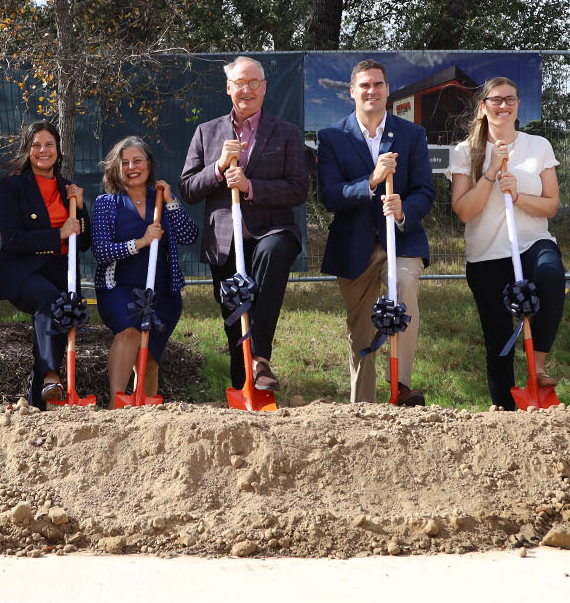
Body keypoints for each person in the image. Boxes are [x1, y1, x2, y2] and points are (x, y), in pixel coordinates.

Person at [181, 56, 309, 392]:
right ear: (228, 88)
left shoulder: (287, 134)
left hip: (273, 233)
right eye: (240, 83)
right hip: (224, 243)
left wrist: (250, 187)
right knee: (235, 322)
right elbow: (188, 188)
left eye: (254, 83)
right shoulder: (205, 132)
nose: (247, 89)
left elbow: (298, 189)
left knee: (271, 252)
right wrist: (219, 168)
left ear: (264, 89)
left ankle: (261, 358)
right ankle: (244, 392)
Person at [317, 59, 435, 405]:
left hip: (401, 239)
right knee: (362, 329)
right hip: (353, 246)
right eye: (365, 85)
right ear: (352, 92)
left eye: (378, 84)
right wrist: (371, 181)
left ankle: (400, 385)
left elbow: (425, 191)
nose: (372, 91)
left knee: (405, 285)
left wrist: (403, 210)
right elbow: (330, 196)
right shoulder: (332, 137)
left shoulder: (412, 134)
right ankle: (364, 405)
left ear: (387, 90)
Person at [450, 77, 565, 411]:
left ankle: (539, 365)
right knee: (498, 339)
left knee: (550, 275)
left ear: (518, 105)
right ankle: (504, 412)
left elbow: (551, 205)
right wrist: (490, 173)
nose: (503, 106)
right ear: (483, 107)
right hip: (486, 254)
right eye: (495, 100)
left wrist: (517, 195)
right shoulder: (464, 152)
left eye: (510, 100)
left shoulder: (538, 146)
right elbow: (464, 212)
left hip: (532, 242)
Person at [0, 121, 91, 408]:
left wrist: (81, 207)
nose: (42, 150)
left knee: (53, 326)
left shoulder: (67, 189)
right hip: (24, 272)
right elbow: (12, 239)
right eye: (35, 145)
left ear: (58, 151)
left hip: (61, 272)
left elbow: (83, 243)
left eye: (49, 144)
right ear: (27, 150)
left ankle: (37, 406)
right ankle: (51, 375)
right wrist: (57, 234)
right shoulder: (13, 186)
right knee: (52, 301)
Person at [92, 136, 198, 407]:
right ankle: (117, 404)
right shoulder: (106, 203)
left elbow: (189, 235)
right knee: (129, 333)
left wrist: (172, 201)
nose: (131, 167)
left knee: (150, 360)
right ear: (116, 169)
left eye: (137, 160)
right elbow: (101, 252)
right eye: (124, 162)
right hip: (119, 289)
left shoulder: (161, 198)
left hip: (162, 293)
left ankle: (145, 418)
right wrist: (139, 242)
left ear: (149, 164)